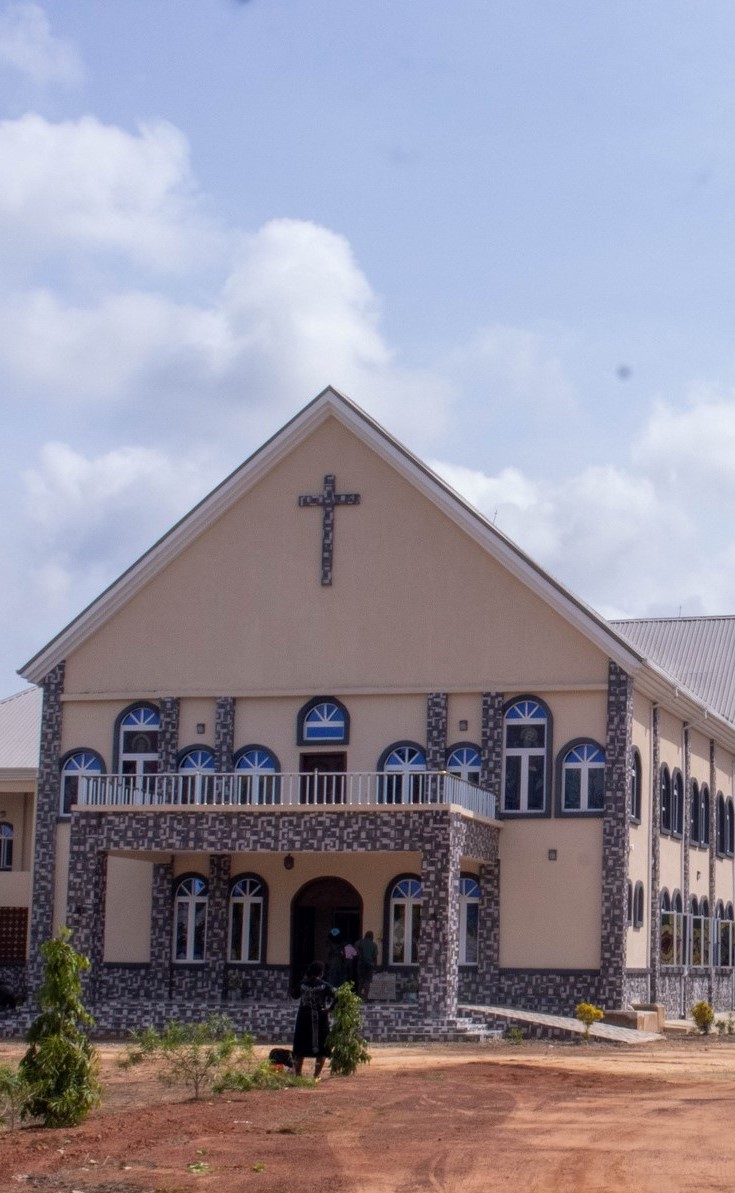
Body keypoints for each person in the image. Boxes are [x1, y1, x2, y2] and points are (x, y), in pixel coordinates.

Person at [292, 960, 335, 1079]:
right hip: (320, 1018)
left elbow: (294, 994)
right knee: (321, 1046)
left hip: (303, 1018)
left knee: (301, 1046)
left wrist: (303, 980)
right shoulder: (324, 985)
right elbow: (339, 996)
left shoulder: (303, 984)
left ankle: (298, 1074)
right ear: (321, 972)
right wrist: (330, 1009)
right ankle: (316, 1075)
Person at [356, 930, 378, 1000]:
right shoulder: (374, 945)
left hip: (361, 964)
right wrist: (375, 966)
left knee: (361, 980)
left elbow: (354, 952)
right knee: (367, 981)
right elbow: (375, 956)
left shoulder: (359, 943)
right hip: (369, 965)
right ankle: (366, 997)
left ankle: (359, 996)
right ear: (371, 936)